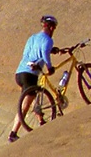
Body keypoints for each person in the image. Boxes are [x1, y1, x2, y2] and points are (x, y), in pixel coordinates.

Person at [8, 15, 60, 143]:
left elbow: (28, 53)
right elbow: (44, 53)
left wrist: (51, 50)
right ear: (51, 27)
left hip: (20, 73)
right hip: (29, 74)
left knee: (32, 96)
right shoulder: (48, 40)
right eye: (54, 28)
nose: (54, 30)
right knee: (25, 106)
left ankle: (41, 120)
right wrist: (50, 67)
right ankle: (13, 133)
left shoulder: (32, 38)